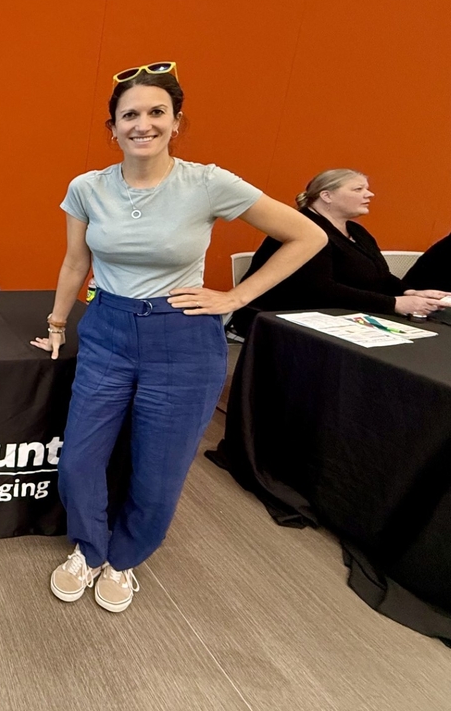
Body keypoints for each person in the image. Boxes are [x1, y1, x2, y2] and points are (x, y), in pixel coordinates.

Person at [31, 62, 326, 613]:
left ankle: (124, 560)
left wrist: (236, 297)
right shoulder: (87, 188)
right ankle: (90, 550)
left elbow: (306, 235)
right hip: (107, 331)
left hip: (183, 339)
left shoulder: (207, 182)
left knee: (159, 466)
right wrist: (54, 324)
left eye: (155, 113)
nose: (143, 124)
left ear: (176, 121)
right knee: (79, 460)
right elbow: (76, 263)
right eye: (130, 115)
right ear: (112, 128)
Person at [229, 170, 448, 335]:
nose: (369, 194)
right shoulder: (303, 228)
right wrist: (394, 304)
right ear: (327, 196)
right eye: (358, 189)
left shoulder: (356, 231)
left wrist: (409, 293)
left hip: (341, 315)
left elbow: (381, 276)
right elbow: (320, 290)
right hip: (284, 319)